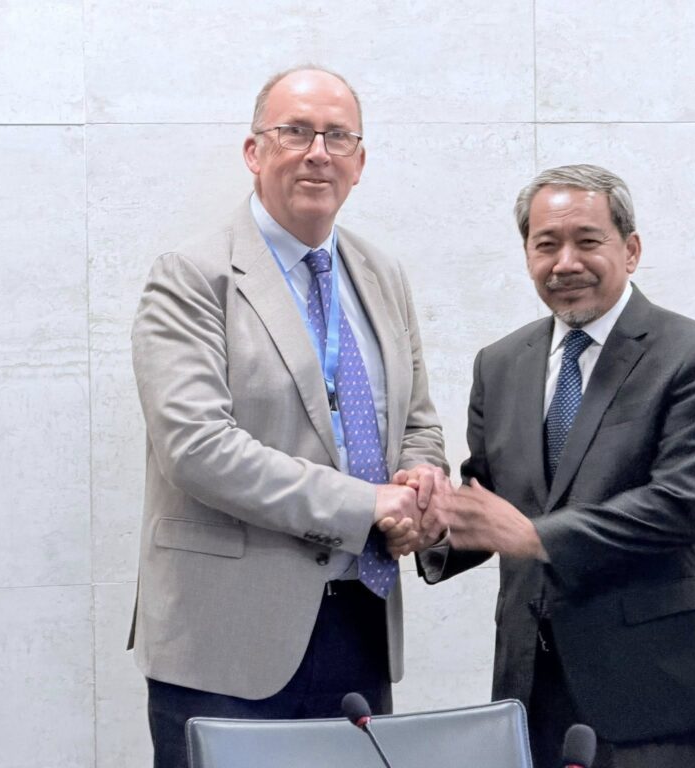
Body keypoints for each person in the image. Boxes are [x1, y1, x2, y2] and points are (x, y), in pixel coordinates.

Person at [129, 65, 447, 768]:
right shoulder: (191, 275)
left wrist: (420, 482)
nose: (318, 153)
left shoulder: (382, 273)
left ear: (360, 161)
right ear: (254, 151)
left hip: (361, 626)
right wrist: (368, 505)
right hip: (227, 644)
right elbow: (197, 449)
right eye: (295, 132)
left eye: (338, 136)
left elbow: (417, 419)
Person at [415, 165, 695, 768]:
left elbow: (676, 505)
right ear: (527, 255)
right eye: (546, 245)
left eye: (587, 241)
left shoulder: (694, 355)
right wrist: (433, 524)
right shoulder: (499, 363)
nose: (565, 263)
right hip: (528, 692)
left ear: (631, 249)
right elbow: (488, 501)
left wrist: (536, 536)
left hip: (649, 694)